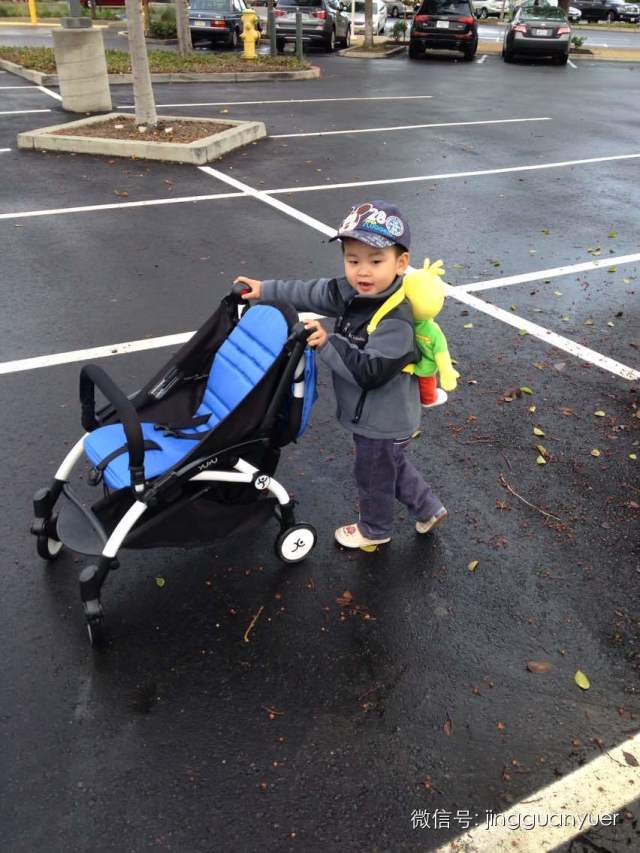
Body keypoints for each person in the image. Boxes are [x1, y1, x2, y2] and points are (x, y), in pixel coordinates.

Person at [234, 201, 448, 550]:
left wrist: (327, 342)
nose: (363, 271)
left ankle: (375, 530)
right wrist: (266, 289)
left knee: (373, 475)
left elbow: (370, 372)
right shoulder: (353, 292)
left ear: (401, 263)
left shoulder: (396, 321)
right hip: (374, 417)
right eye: (353, 260)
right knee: (390, 465)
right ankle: (428, 508)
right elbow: (314, 292)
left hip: (383, 419)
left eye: (375, 261)